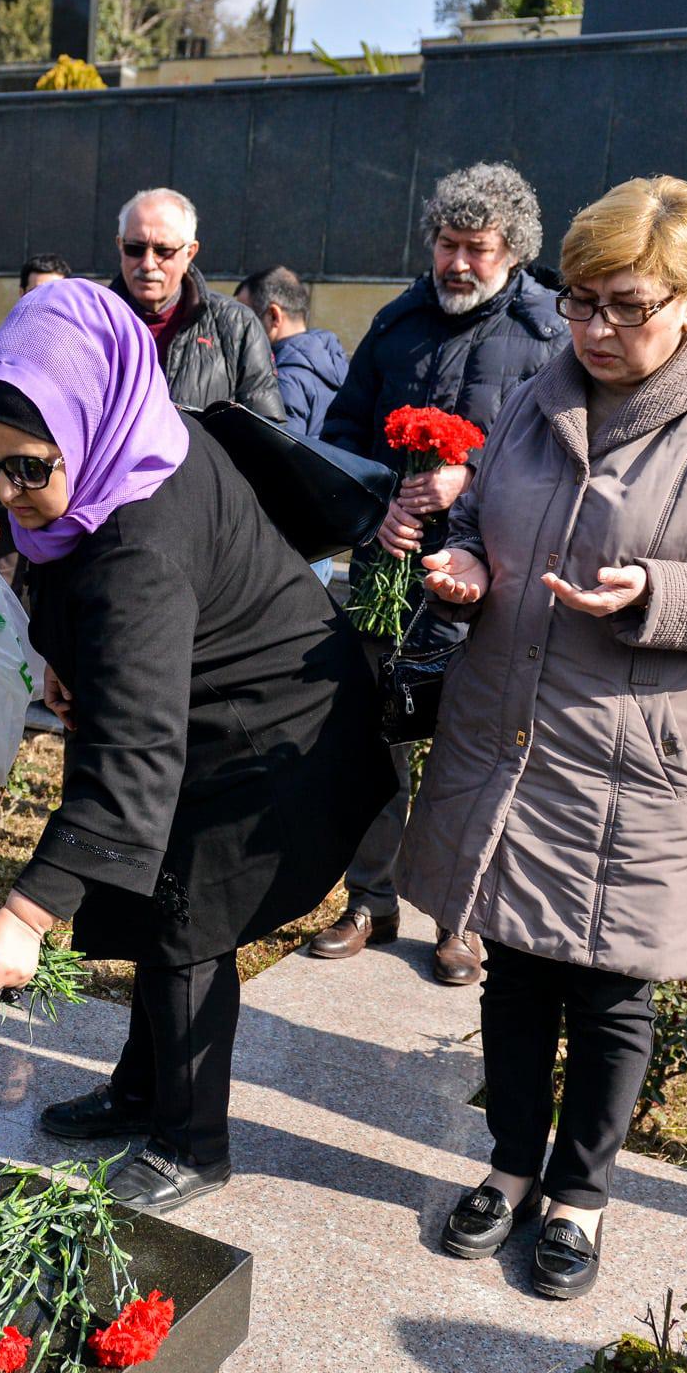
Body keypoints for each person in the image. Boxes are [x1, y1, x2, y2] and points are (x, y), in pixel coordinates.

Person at [400, 175, 687, 1301]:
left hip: (635, 762)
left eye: (623, 306)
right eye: (579, 302)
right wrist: (467, 567)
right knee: (512, 970)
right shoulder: (543, 393)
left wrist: (658, 594)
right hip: (513, 737)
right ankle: (508, 1166)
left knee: (609, 991)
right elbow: (482, 512)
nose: (592, 329)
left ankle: (580, 1195)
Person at [0, 279, 395, 1211]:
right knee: (160, 908)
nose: (7, 492)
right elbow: (75, 582)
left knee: (187, 923)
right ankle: (140, 1089)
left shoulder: (139, 545)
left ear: (90, 421)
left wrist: (26, 915)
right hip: (207, 707)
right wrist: (65, 657)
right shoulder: (130, 443)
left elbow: (133, 756)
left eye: (29, 467)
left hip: (269, 735)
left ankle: (191, 1142)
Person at [314, 162, 570, 985]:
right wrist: (378, 498)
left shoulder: (549, 332)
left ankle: (462, 917)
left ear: (515, 251)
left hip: (498, 577)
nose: (457, 264)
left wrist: (473, 477)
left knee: (475, 748)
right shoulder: (398, 323)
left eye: (477, 249)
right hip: (390, 566)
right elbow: (343, 433)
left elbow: (570, 457)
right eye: (446, 245)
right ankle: (370, 899)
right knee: (376, 731)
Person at [107, 189, 283, 420]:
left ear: (190, 252)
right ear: (120, 246)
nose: (148, 264)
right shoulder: (89, 322)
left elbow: (267, 432)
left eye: (163, 251)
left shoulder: (238, 326)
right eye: (135, 249)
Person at [234, 266, 349, 440]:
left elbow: (282, 456)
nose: (237, 331)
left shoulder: (282, 381)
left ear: (274, 315)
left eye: (245, 320)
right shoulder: (336, 362)